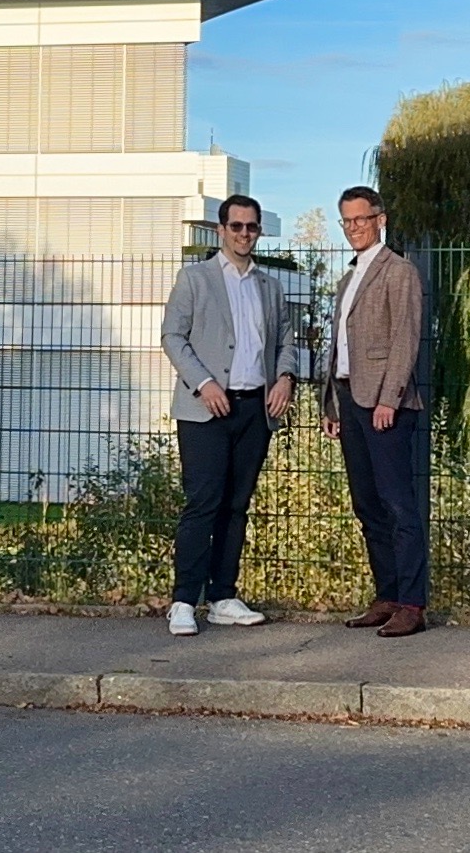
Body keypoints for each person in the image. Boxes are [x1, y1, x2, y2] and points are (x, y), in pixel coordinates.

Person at [160, 194, 297, 636]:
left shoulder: (270, 287)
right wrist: (204, 382)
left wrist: (285, 378)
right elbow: (173, 336)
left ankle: (223, 596)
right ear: (221, 230)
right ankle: (184, 600)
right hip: (205, 409)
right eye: (236, 226)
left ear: (258, 231)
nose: (244, 234)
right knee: (203, 503)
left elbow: (286, 340)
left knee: (237, 506)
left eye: (251, 227)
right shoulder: (194, 278)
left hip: (255, 409)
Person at [320, 185, 428, 638]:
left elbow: (405, 338)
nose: (353, 228)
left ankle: (412, 604)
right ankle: (386, 596)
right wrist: (331, 403)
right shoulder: (348, 278)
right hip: (349, 400)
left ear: (380, 220)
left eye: (361, 219)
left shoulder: (398, 271)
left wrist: (389, 398)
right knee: (367, 505)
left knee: (398, 504)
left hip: (385, 404)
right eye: (346, 221)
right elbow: (340, 348)